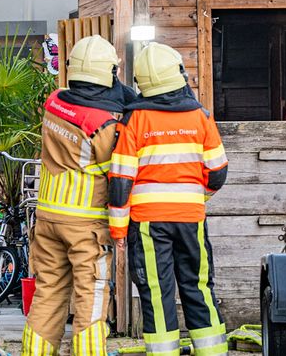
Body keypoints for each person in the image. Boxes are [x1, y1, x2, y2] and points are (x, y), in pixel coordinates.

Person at [108, 43, 228, 356]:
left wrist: (119, 231)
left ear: (142, 81)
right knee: (198, 286)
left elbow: (120, 181)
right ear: (178, 73)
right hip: (191, 219)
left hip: (148, 223)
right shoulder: (200, 116)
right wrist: (196, 198)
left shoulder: (133, 120)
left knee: (158, 292)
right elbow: (217, 172)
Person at [22, 35, 136, 356]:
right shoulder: (105, 125)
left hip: (46, 218)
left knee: (48, 294)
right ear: (108, 73)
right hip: (85, 224)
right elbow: (119, 165)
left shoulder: (54, 102)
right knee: (92, 297)